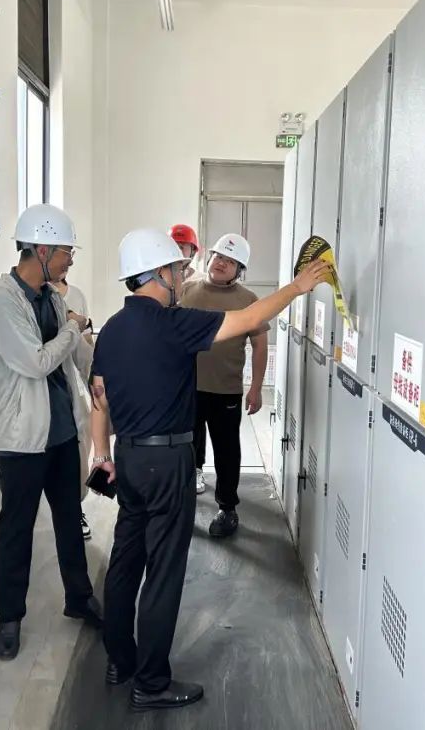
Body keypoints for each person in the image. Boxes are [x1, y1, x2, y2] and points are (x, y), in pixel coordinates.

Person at [88, 228, 329, 711]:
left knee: (126, 562)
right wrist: (298, 286)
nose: (183, 275)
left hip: (128, 458)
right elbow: (250, 318)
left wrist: (102, 455)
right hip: (167, 462)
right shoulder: (174, 324)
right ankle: (151, 682)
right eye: (177, 269)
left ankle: (120, 660)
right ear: (159, 273)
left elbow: (99, 398)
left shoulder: (112, 328)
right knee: (162, 574)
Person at [0, 203, 103, 661]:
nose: (71, 260)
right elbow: (35, 362)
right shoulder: (1, 300)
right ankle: (9, 619)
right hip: (22, 437)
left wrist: (97, 371)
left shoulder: (51, 296)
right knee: (17, 529)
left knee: (70, 518)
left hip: (61, 431)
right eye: (67, 252)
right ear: (43, 250)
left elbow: (73, 357)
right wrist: (72, 327)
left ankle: (79, 597)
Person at [180, 234, 267, 536]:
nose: (221, 263)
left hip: (226, 390)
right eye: (218, 256)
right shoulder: (186, 289)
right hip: (186, 388)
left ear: (239, 270)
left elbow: (260, 346)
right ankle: (182, 505)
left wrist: (256, 387)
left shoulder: (248, 300)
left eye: (229, 261)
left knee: (227, 451)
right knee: (185, 449)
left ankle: (227, 508)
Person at [52, 274, 95, 541]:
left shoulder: (76, 295)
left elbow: (85, 347)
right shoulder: (29, 298)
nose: (68, 261)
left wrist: (95, 385)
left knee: (78, 452)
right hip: (44, 388)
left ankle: (75, 509)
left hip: (72, 389)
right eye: (65, 254)